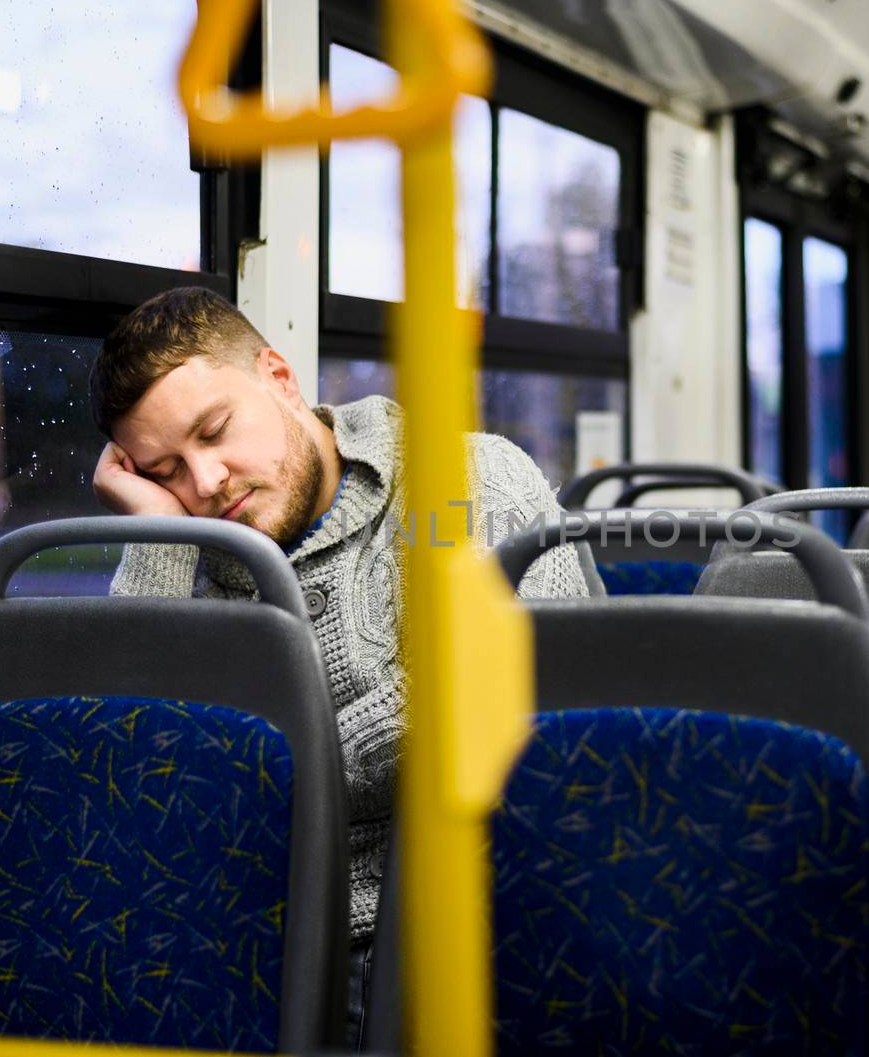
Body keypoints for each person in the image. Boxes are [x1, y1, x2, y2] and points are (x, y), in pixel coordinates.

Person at [88, 286, 594, 1048]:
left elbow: (510, 719)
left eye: (216, 430)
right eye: (166, 470)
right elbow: (130, 774)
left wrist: (249, 762)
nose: (207, 481)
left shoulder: (465, 481)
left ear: (280, 378)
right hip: (248, 930)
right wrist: (159, 538)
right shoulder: (190, 545)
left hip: (475, 927)